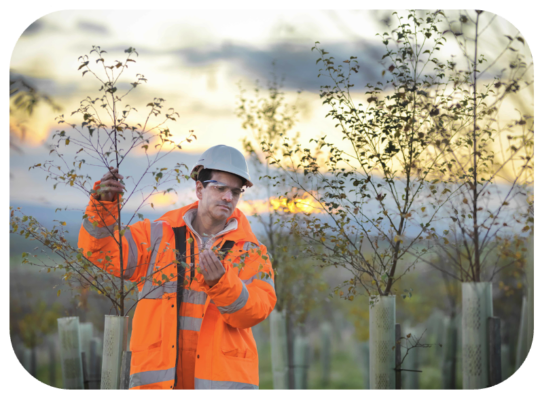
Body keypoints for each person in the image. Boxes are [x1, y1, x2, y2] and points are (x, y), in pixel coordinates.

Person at [78, 145, 276, 389]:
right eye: (220, 188)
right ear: (199, 189)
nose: (228, 197)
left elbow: (255, 312)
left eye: (235, 192)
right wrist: (103, 206)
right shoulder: (157, 236)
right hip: (158, 383)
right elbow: (101, 251)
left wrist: (222, 285)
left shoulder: (252, 252)